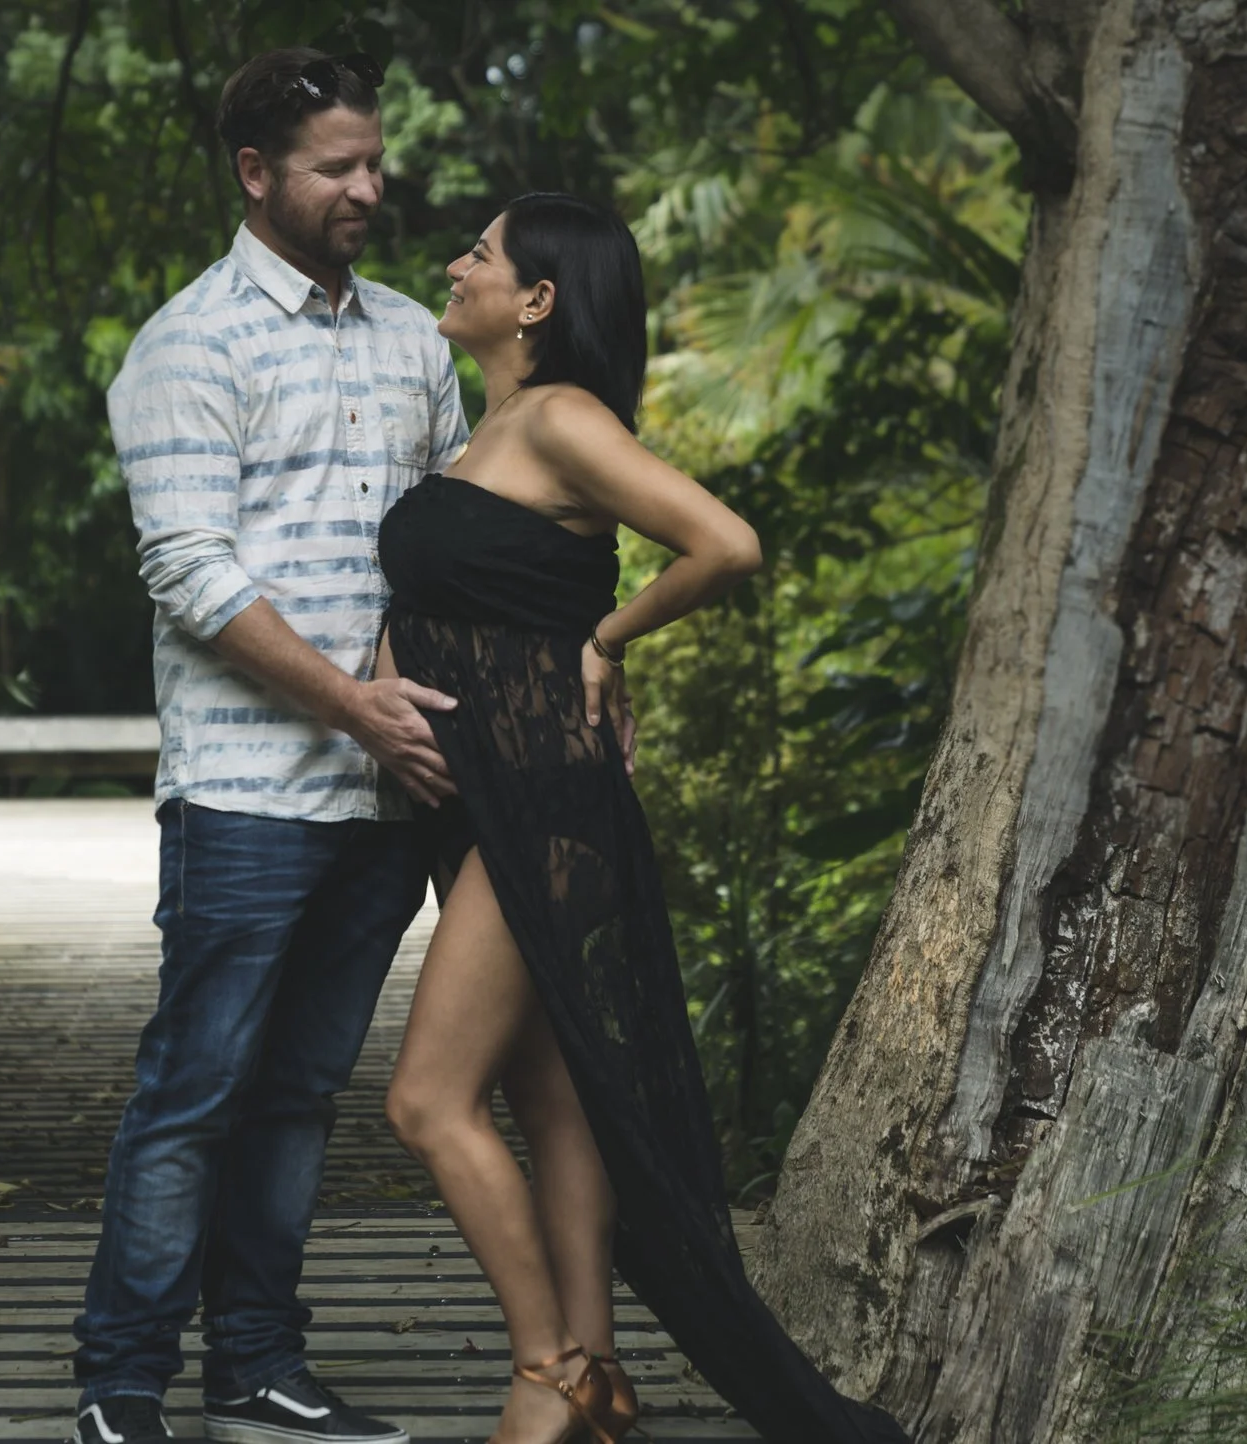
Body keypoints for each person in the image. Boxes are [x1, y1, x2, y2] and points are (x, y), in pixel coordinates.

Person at [376, 194, 910, 1444]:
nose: (455, 267)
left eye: (481, 254)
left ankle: (545, 1374)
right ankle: (602, 1384)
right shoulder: (495, 423)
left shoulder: (560, 416)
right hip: (484, 809)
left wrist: (610, 639)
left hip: (543, 802)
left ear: (539, 300)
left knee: (426, 1099)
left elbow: (724, 541)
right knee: (555, 1099)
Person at [70, 47, 472, 1444]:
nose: (371, 186)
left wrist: (397, 701)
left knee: (301, 1097)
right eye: (336, 168)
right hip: (245, 793)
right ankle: (123, 1386)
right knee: (195, 1093)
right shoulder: (191, 346)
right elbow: (189, 571)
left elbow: (435, 556)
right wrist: (351, 702)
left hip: (384, 794)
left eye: (374, 160)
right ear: (256, 175)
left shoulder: (419, 337)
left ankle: (255, 1362)